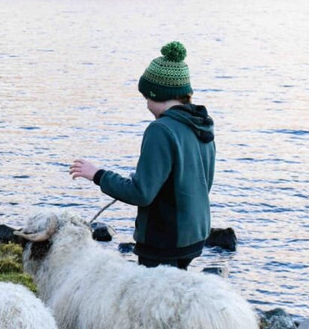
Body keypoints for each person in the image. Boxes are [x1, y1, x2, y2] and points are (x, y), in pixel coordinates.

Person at [70, 41, 216, 270]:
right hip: (195, 235)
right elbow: (199, 183)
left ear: (156, 94)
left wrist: (97, 174)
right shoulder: (201, 124)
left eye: (146, 97)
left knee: (153, 302)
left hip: (165, 240)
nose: (146, 103)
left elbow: (141, 194)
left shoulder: (160, 130)